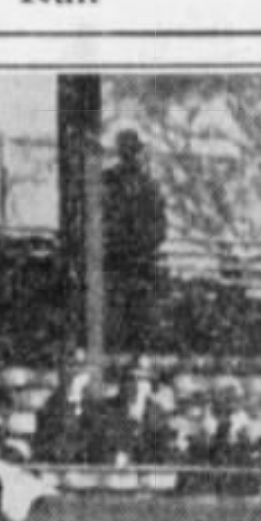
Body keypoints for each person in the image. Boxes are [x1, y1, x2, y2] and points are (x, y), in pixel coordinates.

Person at [101, 129, 168, 354]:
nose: (130, 155)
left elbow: (160, 225)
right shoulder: (108, 182)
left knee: (141, 314)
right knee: (116, 312)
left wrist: (144, 242)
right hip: (116, 259)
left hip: (140, 260)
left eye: (133, 150)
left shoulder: (148, 185)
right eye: (126, 150)